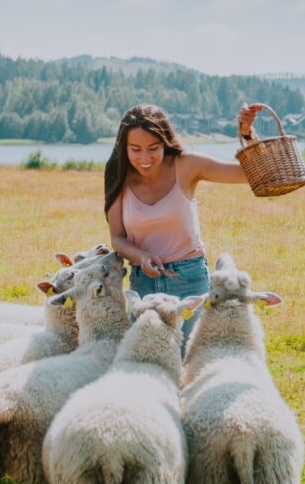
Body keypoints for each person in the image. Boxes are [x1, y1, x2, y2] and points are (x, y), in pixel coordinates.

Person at [104, 103, 263, 339]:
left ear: (164, 142)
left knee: (190, 360)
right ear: (124, 148)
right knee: (147, 362)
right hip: (144, 284)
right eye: (135, 149)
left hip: (190, 281)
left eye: (153, 148)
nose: (144, 158)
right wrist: (142, 257)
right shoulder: (117, 174)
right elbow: (117, 238)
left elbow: (253, 172)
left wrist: (248, 134)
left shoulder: (187, 165)